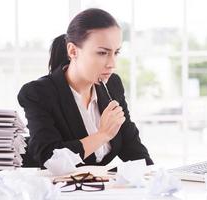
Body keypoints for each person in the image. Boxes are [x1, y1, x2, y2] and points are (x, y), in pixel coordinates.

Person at [18, 8, 153, 168]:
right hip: (54, 188)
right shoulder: (38, 93)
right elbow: (49, 158)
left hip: (96, 189)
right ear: (73, 51)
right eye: (102, 53)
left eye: (116, 52)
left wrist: (155, 178)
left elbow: (132, 147)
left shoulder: (112, 84)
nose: (112, 64)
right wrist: (102, 135)